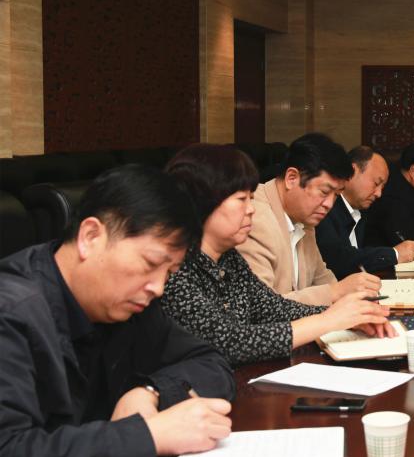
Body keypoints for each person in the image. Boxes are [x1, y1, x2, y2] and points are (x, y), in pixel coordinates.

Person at [0, 165, 236, 457]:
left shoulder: (131, 306)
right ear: (90, 237)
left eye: (169, 273)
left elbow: (212, 362)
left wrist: (149, 392)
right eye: (150, 263)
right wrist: (148, 436)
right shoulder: (11, 312)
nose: (158, 287)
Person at [163, 144, 392, 367]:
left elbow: (273, 308)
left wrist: (347, 317)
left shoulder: (229, 258)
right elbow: (230, 341)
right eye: (242, 199)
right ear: (203, 203)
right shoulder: (175, 268)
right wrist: (328, 319)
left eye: (251, 198)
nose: (251, 208)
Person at [237, 133, 380, 306]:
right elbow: (262, 307)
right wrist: (335, 292)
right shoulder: (253, 217)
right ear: (292, 178)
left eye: (336, 195)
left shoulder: (303, 219)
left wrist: (349, 298)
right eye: (324, 192)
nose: (329, 204)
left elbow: (322, 277)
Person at [317, 145, 414, 278]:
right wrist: (394, 254)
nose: (379, 194)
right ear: (352, 171)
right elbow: (338, 258)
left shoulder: (364, 211)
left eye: (382, 187)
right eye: (376, 183)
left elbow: (365, 253)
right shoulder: (325, 208)